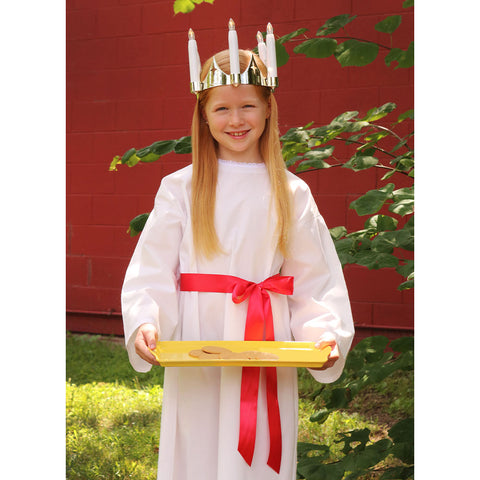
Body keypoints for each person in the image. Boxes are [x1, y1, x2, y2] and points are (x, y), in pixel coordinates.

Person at [121, 22, 354, 480]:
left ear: (268, 109)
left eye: (248, 105)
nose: (236, 120)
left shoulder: (291, 191)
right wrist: (146, 319)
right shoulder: (182, 188)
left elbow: (314, 275)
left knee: (259, 447)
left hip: (266, 337)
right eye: (222, 108)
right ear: (204, 115)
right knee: (200, 444)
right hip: (199, 337)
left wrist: (324, 331)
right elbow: (153, 266)